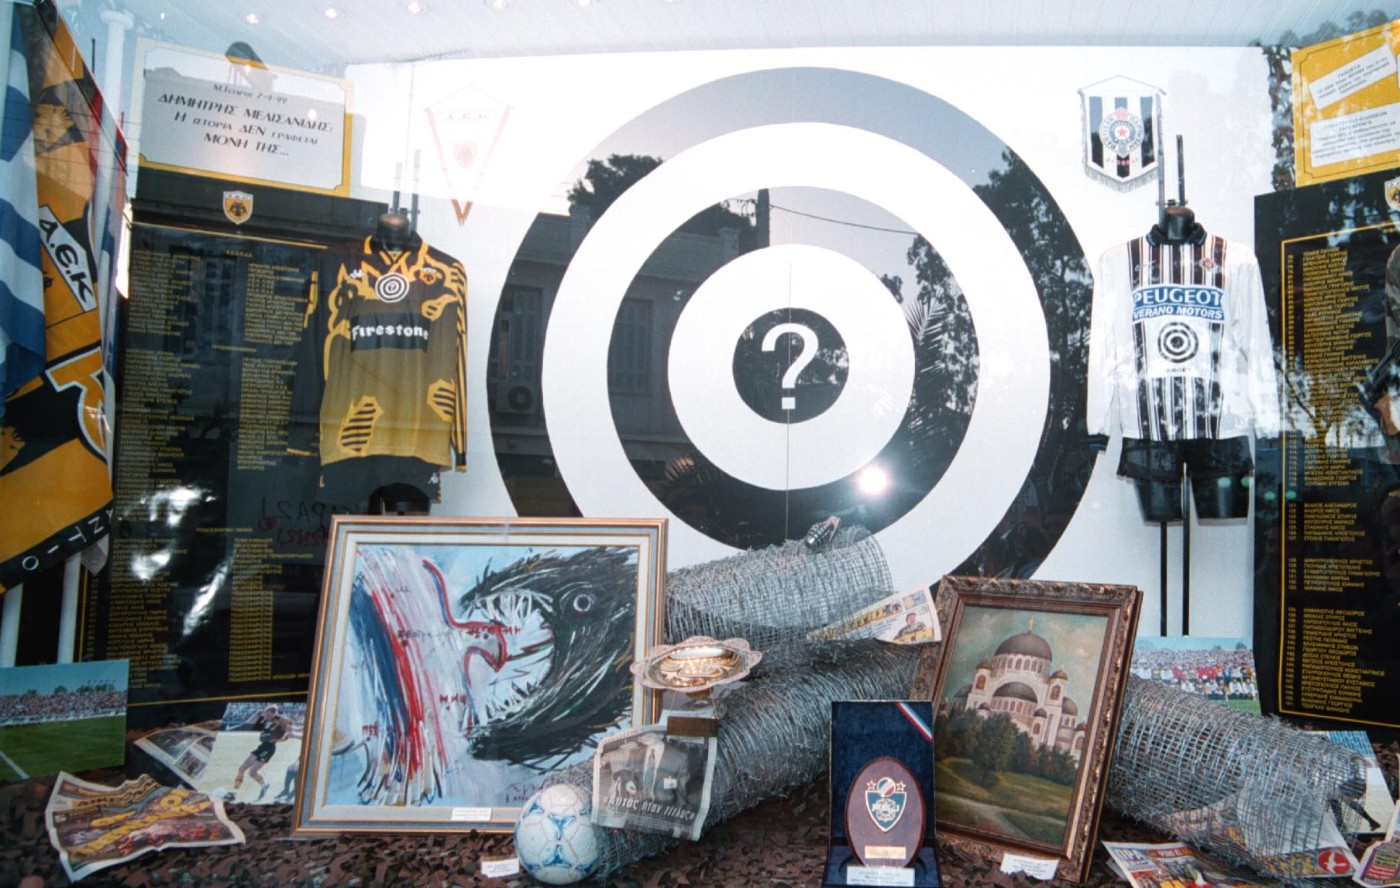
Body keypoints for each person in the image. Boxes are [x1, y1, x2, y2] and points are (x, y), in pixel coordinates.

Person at [232, 705, 296, 801]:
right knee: (241, 768)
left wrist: (282, 739)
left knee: (252, 772)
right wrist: (258, 714)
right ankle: (234, 792)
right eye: (266, 713)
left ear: (274, 713)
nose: (266, 715)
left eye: (268, 713)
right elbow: (249, 722)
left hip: (269, 749)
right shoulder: (264, 721)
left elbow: (290, 729)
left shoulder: (281, 720)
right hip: (261, 747)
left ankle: (265, 784)